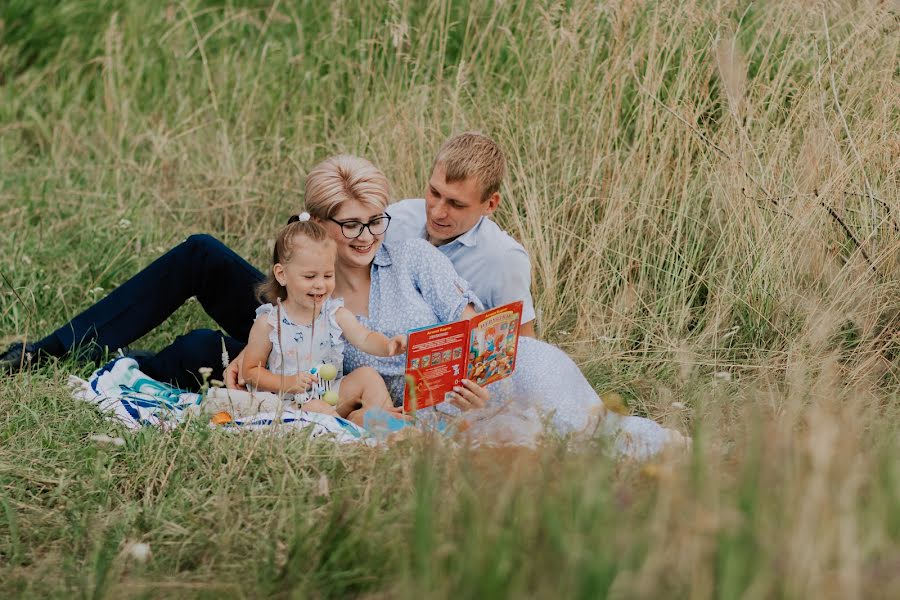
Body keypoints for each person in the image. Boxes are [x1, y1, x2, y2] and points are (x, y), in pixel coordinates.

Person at [231, 213, 406, 424]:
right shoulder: (269, 323)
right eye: (310, 276)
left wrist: (387, 345)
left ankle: (388, 423)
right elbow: (250, 372)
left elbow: (365, 338)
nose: (320, 285)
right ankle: (350, 430)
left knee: (367, 375)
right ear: (282, 274)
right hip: (291, 403)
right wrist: (287, 382)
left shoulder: (334, 313)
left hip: (331, 393)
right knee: (316, 407)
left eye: (328, 275)